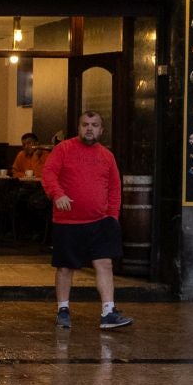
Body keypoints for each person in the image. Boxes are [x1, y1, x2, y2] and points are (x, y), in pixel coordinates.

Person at [41, 111, 132, 329]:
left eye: (94, 125)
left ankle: (108, 311)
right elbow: (49, 174)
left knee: (105, 263)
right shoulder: (63, 149)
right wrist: (58, 194)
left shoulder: (107, 156)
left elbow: (114, 188)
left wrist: (112, 216)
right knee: (65, 267)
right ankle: (63, 309)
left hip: (100, 221)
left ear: (101, 130)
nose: (89, 128)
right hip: (67, 222)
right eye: (85, 124)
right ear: (78, 128)